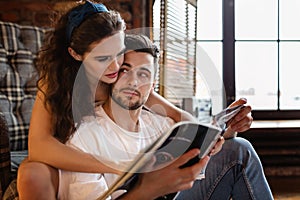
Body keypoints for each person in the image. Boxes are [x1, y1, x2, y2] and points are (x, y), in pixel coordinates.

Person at [16, 1, 206, 199]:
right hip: (60, 153)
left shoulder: (120, 80)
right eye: (102, 58)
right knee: (32, 174)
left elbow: (178, 115)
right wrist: (113, 165)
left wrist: (206, 139)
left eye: (119, 54)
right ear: (76, 54)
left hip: (101, 153)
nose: (115, 66)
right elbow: (39, 146)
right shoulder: (56, 83)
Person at [57, 34, 273, 200]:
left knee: (238, 148)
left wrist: (227, 131)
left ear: (152, 86)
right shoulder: (85, 136)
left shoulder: (162, 126)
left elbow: (199, 167)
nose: (133, 81)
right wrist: (146, 191)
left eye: (143, 74)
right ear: (111, 74)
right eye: (125, 70)